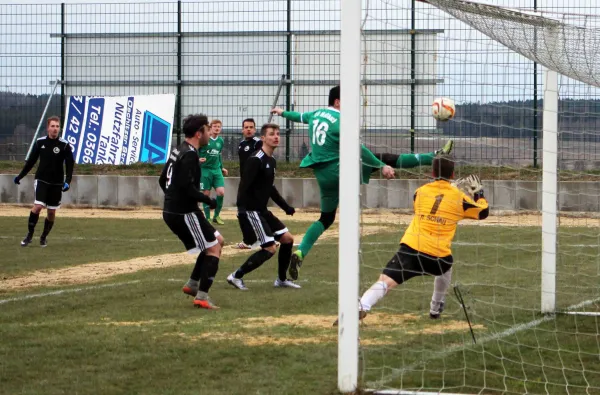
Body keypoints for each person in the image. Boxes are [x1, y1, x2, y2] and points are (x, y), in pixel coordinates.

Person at [270, 85, 453, 280]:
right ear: (338, 102)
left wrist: (282, 112)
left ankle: (300, 252)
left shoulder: (316, 114)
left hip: (322, 174)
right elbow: (360, 149)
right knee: (387, 158)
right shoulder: (341, 121)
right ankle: (434, 156)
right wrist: (381, 166)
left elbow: (298, 116)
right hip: (339, 170)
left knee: (326, 218)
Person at [354, 157, 489, 323]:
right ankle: (435, 307)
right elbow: (483, 213)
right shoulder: (460, 198)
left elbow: (425, 205)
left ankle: (363, 305)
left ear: (432, 172)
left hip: (411, 247)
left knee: (385, 281)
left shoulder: (420, 191)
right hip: (438, 256)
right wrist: (478, 194)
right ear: (453, 173)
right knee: (447, 268)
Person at [159, 114, 225, 310]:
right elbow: (187, 188)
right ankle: (202, 297)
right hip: (184, 213)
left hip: (179, 211)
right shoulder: (190, 155)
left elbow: (163, 180)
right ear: (199, 133)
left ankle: (193, 284)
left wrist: (171, 199)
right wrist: (208, 200)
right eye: (206, 129)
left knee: (217, 241)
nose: (208, 133)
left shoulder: (178, 149)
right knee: (213, 249)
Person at [226, 123, 299, 290]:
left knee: (287, 239)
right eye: (272, 134)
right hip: (252, 211)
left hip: (263, 211)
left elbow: (270, 188)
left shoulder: (271, 161)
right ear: (263, 138)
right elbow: (243, 187)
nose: (276, 137)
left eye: (278, 134)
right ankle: (236, 276)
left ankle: (281, 280)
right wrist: (242, 213)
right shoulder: (255, 159)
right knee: (270, 248)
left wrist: (285, 207)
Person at [14, 116, 74, 247]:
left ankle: (43, 237)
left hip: (57, 183)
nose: (55, 129)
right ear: (48, 128)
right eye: (52, 126)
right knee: (38, 206)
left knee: (51, 212)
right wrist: (20, 176)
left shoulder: (64, 145)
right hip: (41, 180)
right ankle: (29, 235)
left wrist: (67, 181)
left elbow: (70, 164)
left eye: (57, 126)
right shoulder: (40, 143)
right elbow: (31, 162)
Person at [235, 118, 262, 249]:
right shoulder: (241, 144)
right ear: (242, 130)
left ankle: (253, 239)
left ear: (255, 129)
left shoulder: (258, 143)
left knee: (251, 211)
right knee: (243, 211)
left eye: (251, 127)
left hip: (255, 183)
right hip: (244, 182)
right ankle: (251, 239)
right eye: (246, 127)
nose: (249, 129)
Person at [199, 119, 228, 225]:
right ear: (210, 128)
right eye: (215, 126)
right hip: (205, 170)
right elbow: (195, 151)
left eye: (219, 126)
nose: (217, 128)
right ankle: (207, 218)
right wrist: (198, 160)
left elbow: (219, 155)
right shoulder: (204, 140)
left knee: (221, 192)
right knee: (206, 194)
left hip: (216, 170)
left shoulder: (220, 141)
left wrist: (222, 167)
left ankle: (216, 216)